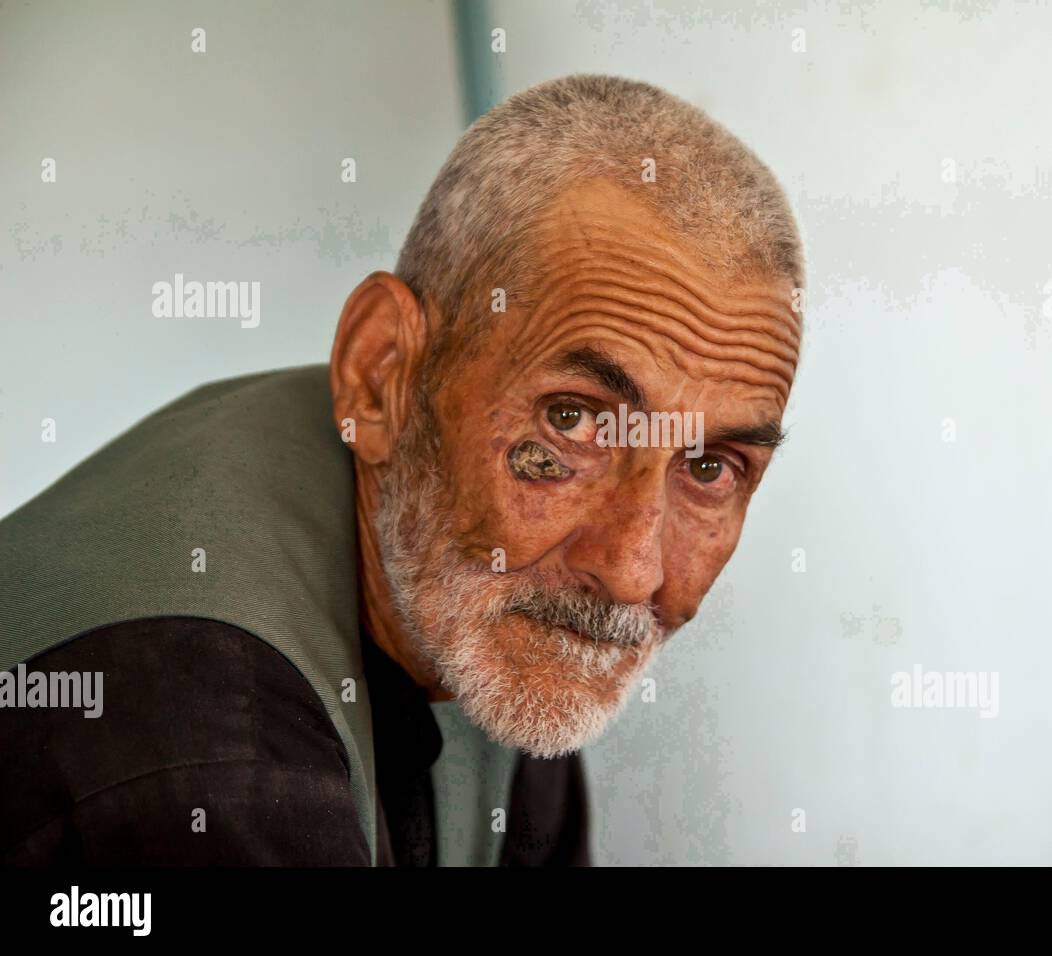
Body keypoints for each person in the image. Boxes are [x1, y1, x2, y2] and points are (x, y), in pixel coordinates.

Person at [0, 74, 805, 866]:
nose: (631, 570)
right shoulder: (198, 751)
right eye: (572, 420)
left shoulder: (496, 618)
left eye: (709, 466)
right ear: (382, 374)